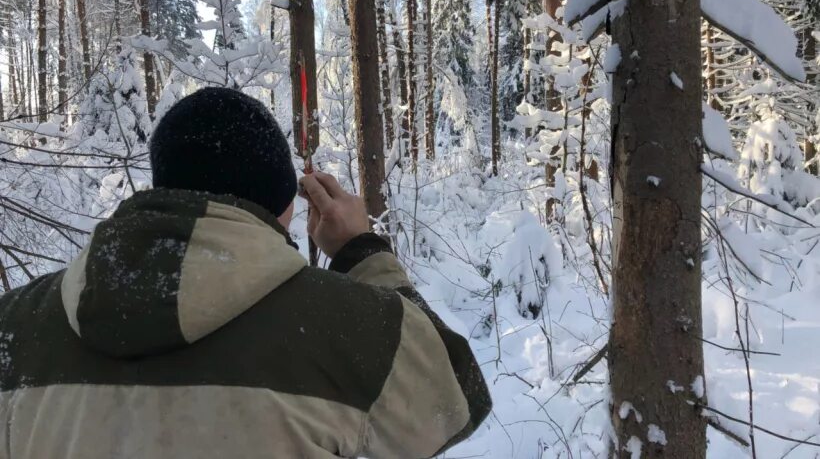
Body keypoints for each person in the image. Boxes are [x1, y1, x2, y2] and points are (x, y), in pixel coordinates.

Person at [0, 87, 491, 459]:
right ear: (284, 206)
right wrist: (360, 251)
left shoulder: (14, 327)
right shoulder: (346, 328)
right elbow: (454, 401)